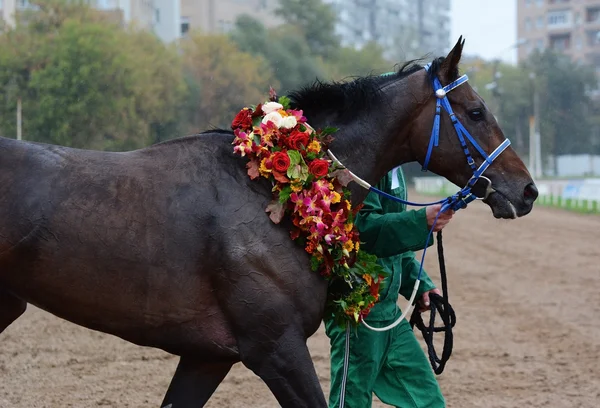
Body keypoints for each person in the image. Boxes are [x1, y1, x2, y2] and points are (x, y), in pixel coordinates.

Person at [325, 166, 455, 408]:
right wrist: (420, 220)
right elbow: (362, 229)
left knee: (427, 401)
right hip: (359, 313)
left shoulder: (395, 168)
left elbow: (395, 246)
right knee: (351, 403)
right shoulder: (364, 164)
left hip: (389, 315)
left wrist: (419, 284)